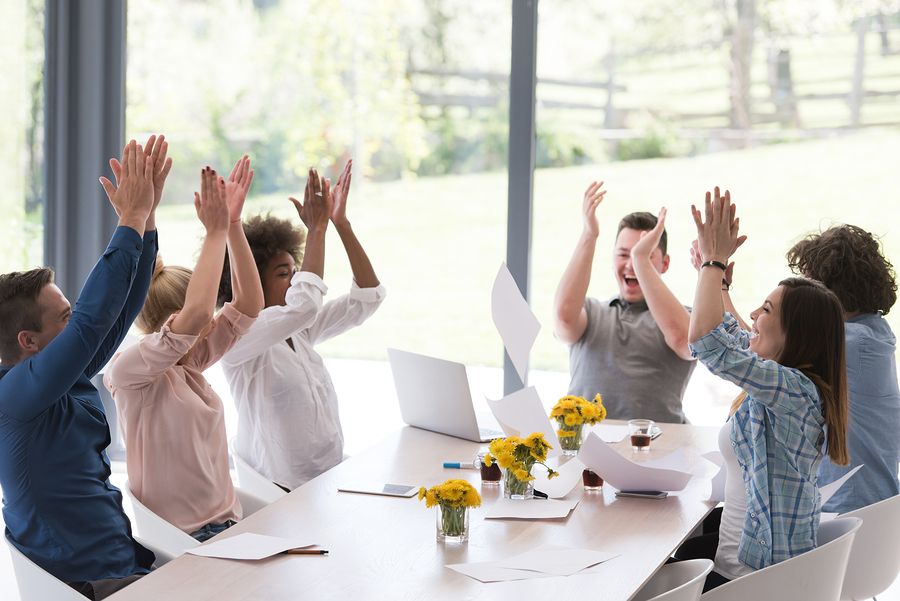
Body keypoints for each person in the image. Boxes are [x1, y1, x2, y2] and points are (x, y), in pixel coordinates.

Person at [0, 137, 169, 599]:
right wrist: (129, 220)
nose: (76, 323)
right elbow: (93, 321)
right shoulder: (16, 397)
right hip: (93, 587)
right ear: (28, 343)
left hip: (124, 567)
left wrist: (147, 222)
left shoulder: (57, 381)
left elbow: (115, 316)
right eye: (64, 318)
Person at [682, 187, 849, 591]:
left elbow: (708, 343)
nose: (754, 314)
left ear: (797, 335)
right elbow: (736, 339)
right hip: (747, 567)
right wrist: (718, 284)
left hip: (755, 584)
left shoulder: (795, 391)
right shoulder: (789, 383)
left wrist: (712, 263)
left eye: (766, 310)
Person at [104, 157, 263, 541]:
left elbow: (249, 306)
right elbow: (195, 316)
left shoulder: (190, 363)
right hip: (185, 540)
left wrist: (234, 226)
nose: (215, 320)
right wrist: (213, 233)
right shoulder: (131, 371)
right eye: (208, 312)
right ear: (172, 321)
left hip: (230, 527)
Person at [218, 160, 385, 490]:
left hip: (332, 475)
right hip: (282, 492)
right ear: (250, 279)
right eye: (283, 274)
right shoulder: (238, 336)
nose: (295, 282)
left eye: (295, 272)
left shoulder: (297, 327)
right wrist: (317, 230)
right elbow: (304, 304)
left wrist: (341, 224)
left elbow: (367, 298)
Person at [554, 181, 695, 423]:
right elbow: (564, 317)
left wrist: (641, 261)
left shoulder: (685, 317)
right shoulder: (592, 312)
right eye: (623, 254)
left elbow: (684, 339)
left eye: (643, 254)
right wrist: (590, 234)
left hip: (656, 450)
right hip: (585, 450)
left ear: (665, 264)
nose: (631, 264)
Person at [786, 224, 900, 513]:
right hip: (871, 503)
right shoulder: (872, 331)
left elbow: (760, 350)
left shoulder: (851, 343)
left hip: (851, 509)